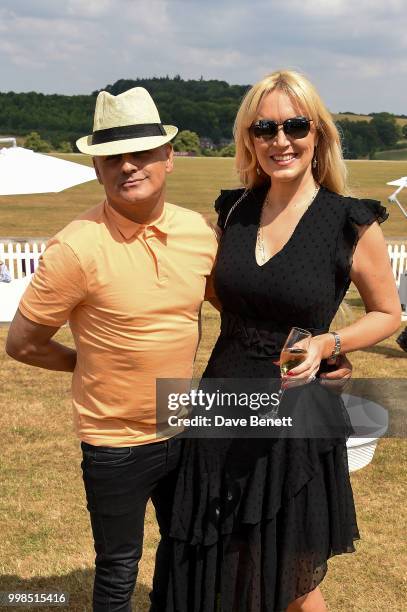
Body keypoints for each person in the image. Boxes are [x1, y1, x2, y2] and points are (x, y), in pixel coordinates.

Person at [161, 70, 401, 612]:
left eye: (295, 125)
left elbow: (388, 314)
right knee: (218, 551)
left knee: (290, 574)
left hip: (295, 412)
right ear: (248, 138)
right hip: (222, 401)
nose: (280, 141)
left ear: (318, 134)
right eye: (263, 128)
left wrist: (330, 344)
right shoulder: (234, 212)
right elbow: (226, 295)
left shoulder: (349, 222)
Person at [5, 86, 219, 612]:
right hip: (114, 443)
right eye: (111, 157)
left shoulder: (197, 233)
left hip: (185, 427)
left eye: (142, 152)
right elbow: (23, 343)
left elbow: (236, 312)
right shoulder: (75, 247)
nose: (128, 165)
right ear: (97, 169)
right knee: (120, 566)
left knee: (186, 547)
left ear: (168, 157)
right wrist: (86, 362)